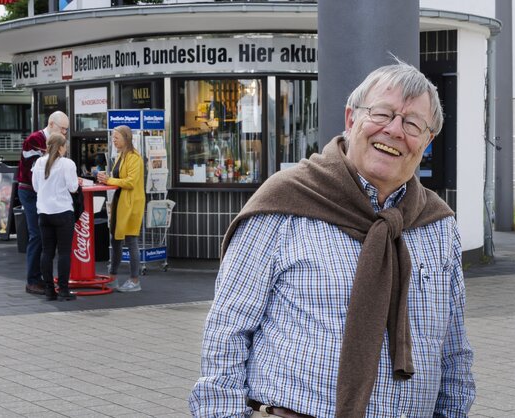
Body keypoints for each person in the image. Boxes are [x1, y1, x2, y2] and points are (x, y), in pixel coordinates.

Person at [189, 60, 475, 417]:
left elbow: (453, 350)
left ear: (427, 141)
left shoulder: (437, 225)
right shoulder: (285, 203)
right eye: (382, 113)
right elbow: (226, 332)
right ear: (351, 119)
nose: (395, 130)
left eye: (413, 123)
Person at [17, 111, 69, 295]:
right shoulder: (34, 140)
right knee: (37, 236)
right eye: (62, 128)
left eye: (66, 130)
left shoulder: (53, 143)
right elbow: (37, 171)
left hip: (42, 194)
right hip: (30, 192)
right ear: (51, 124)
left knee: (44, 237)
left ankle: (42, 279)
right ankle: (33, 280)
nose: (64, 133)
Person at [31, 133, 81, 301]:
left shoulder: (38, 163)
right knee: (64, 253)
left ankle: (49, 290)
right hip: (63, 212)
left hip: (44, 213)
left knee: (47, 252)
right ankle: (64, 290)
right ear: (60, 147)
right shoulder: (67, 164)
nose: (66, 149)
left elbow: (36, 187)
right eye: (65, 146)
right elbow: (73, 187)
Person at [97, 125, 145, 292]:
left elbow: (130, 182)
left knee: (131, 241)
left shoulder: (134, 158)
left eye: (116, 137)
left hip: (131, 205)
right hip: (121, 203)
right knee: (115, 241)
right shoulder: (121, 156)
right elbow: (120, 179)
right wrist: (106, 179)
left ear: (126, 138)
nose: (114, 140)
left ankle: (134, 280)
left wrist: (108, 180)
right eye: (113, 138)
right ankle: (113, 277)